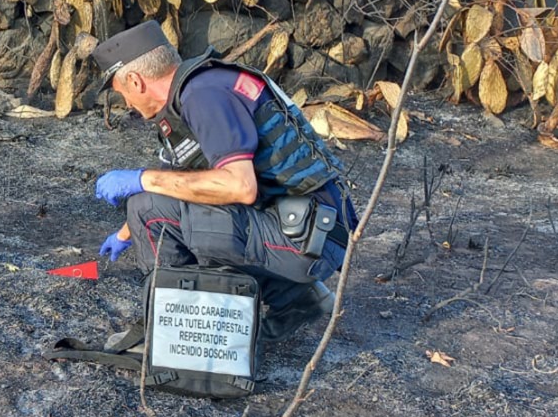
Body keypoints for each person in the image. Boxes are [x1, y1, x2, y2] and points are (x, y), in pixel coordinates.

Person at [89, 20, 357, 339]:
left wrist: (143, 180)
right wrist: (125, 233)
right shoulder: (201, 86)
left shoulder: (203, 96)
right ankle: (296, 298)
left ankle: (171, 334)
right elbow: (188, 176)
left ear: (135, 80)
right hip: (313, 228)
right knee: (157, 209)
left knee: (147, 207)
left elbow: (240, 187)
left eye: (123, 95)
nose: (128, 106)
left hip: (306, 238)